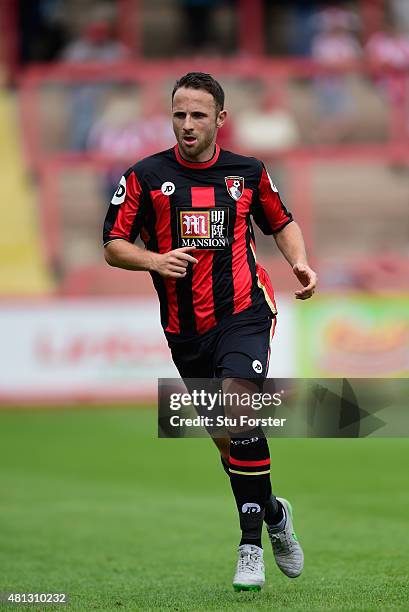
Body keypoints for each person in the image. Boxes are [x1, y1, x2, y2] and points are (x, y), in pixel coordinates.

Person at [103, 72, 317, 591]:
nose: (188, 124)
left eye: (199, 115)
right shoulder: (145, 177)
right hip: (184, 330)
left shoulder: (248, 171)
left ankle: (249, 550)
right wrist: (154, 258)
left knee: (240, 411)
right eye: (179, 114)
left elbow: (281, 221)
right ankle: (272, 513)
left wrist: (300, 264)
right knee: (229, 447)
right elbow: (112, 244)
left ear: (220, 119)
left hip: (245, 312)